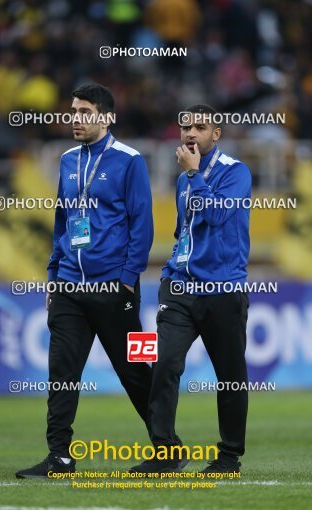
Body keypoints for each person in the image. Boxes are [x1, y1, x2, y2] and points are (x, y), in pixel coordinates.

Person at [16, 84, 154, 478]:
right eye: (73, 111)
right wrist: (53, 276)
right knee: (62, 373)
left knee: (137, 371)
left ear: (106, 117)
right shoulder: (66, 160)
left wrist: (127, 281)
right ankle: (59, 456)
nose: (75, 119)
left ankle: (166, 447)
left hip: (115, 287)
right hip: (68, 287)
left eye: (85, 112)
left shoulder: (130, 161)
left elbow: (142, 226)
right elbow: (62, 222)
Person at [131, 104, 251, 474]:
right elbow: (185, 230)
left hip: (222, 289)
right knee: (164, 364)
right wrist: (170, 271)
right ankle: (166, 452)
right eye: (185, 127)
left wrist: (196, 175)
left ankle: (229, 456)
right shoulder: (183, 179)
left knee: (230, 376)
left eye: (200, 127)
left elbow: (215, 215)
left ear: (216, 134)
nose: (190, 134)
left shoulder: (236, 172)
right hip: (180, 289)